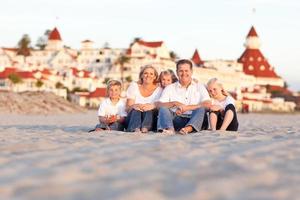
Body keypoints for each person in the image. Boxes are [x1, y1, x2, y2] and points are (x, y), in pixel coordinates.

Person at [157, 59, 211, 135]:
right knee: (163, 109)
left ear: (191, 72)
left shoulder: (199, 86)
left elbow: (208, 104)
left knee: (201, 108)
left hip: (195, 119)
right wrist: (174, 103)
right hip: (176, 119)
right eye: (181, 71)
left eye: (186, 71)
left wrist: (187, 107)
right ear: (177, 72)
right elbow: (159, 105)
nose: (183, 73)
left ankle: (188, 129)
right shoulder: (170, 87)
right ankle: (170, 129)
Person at [126, 65, 162, 133]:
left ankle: (145, 128)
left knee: (149, 110)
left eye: (151, 74)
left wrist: (151, 106)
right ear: (142, 75)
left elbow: (160, 108)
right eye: (145, 73)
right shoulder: (134, 86)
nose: (148, 75)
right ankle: (135, 129)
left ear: (155, 77)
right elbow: (127, 109)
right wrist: (134, 106)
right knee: (136, 110)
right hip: (133, 118)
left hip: (150, 119)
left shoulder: (159, 90)